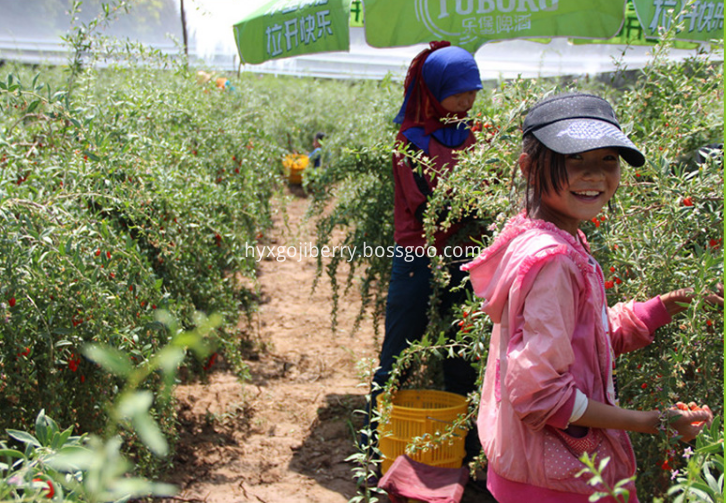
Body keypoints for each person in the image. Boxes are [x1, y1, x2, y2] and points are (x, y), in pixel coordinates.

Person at [461, 93, 718, 502]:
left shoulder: (541, 235)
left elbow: (580, 334)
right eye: (574, 160)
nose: (594, 176)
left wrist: (661, 307)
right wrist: (653, 422)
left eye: (607, 161)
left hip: (528, 471)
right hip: (556, 481)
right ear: (529, 168)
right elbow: (540, 394)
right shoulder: (555, 261)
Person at [360, 41, 484, 470]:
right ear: (433, 90)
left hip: (468, 260)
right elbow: (429, 205)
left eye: (473, 92)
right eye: (458, 92)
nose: (467, 101)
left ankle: (465, 452)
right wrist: (480, 206)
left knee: (465, 354)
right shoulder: (410, 140)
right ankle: (374, 449)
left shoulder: (480, 134)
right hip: (418, 258)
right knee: (397, 352)